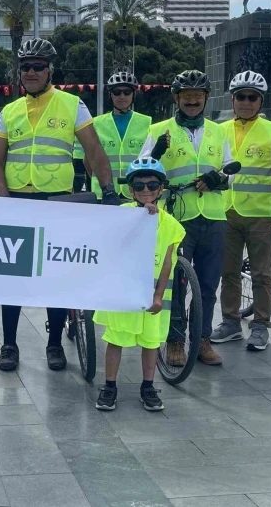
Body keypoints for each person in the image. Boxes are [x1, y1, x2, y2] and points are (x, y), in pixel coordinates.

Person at [0, 37, 118, 373]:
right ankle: (9, 344)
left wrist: (109, 189)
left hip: (58, 202)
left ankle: (55, 343)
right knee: (14, 278)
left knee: (56, 277)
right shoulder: (9, 110)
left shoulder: (73, 105)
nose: (31, 72)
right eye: (25, 67)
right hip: (18, 201)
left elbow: (94, 151)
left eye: (38, 67)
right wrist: (4, 202)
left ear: (50, 70)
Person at [139, 70, 232, 367]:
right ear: (177, 98)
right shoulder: (159, 130)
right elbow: (142, 171)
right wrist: (157, 151)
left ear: (206, 98)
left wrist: (218, 178)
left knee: (207, 284)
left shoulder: (219, 131)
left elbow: (230, 170)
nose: (192, 101)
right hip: (177, 216)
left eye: (198, 96)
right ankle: (175, 340)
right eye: (186, 96)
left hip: (213, 216)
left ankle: (202, 340)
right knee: (177, 283)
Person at [94, 158, 185, 412]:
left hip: (153, 296)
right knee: (116, 339)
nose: (146, 191)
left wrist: (158, 296)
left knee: (151, 342)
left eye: (152, 185)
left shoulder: (171, 226)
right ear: (131, 190)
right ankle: (109, 385)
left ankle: (148, 386)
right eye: (139, 186)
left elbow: (168, 263)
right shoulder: (120, 216)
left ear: (160, 189)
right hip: (123, 293)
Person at [211, 72, 271, 351]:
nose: (246, 102)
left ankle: (260, 326)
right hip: (226, 211)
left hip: (260, 214)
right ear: (232, 99)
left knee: (262, 274)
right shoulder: (219, 130)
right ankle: (230, 322)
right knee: (228, 271)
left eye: (252, 97)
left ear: (260, 101)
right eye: (241, 97)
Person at [83, 71, 151, 200]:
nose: (122, 96)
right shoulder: (96, 123)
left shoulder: (147, 122)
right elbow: (88, 160)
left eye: (127, 92)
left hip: (136, 191)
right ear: (110, 95)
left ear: (134, 94)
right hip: (103, 192)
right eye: (117, 92)